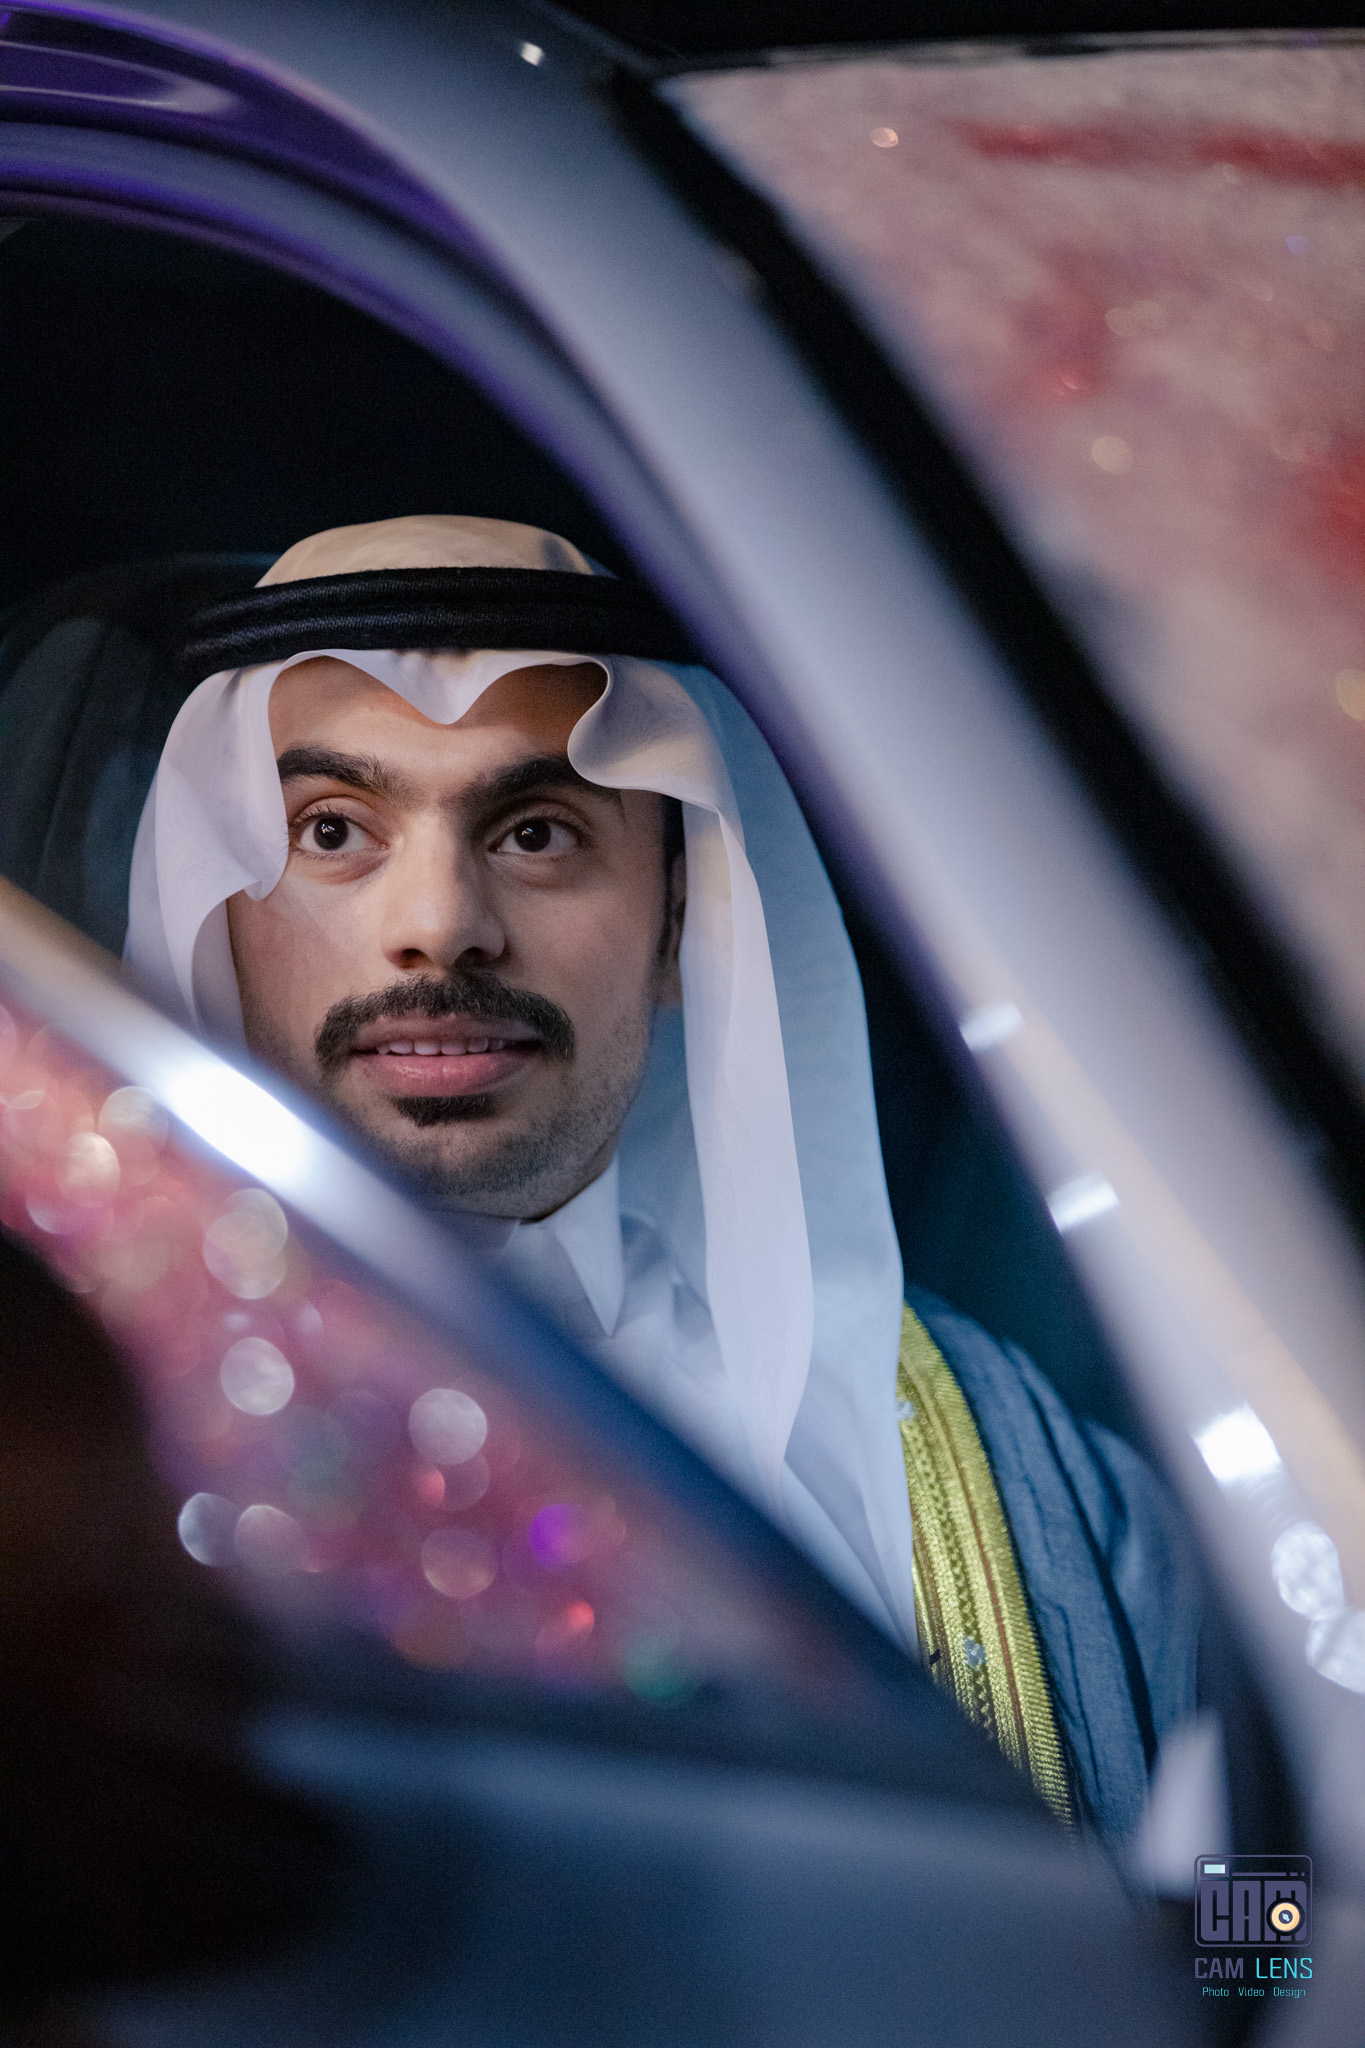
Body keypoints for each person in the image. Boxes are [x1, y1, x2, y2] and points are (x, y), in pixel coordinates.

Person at [107, 515, 1197, 1838]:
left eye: (536, 833)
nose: (441, 924)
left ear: (683, 922)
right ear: (218, 911)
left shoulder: (1024, 1483)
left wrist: (1262, 1953)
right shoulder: (65, 1430)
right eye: (332, 830)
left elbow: (1260, 1915)